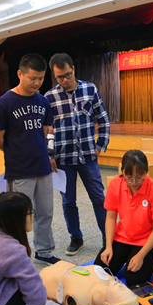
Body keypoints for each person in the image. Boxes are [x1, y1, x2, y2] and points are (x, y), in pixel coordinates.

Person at [0, 53, 59, 265]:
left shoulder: (43, 101)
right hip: (20, 170)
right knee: (19, 215)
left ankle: (44, 251)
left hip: (43, 168)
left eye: (41, 79)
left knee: (45, 212)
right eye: (32, 78)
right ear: (20, 74)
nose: (37, 83)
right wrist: (17, 152)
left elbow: (44, 132)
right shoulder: (4, 103)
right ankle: (17, 254)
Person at [45, 53, 110, 256]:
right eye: (59, 77)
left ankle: (108, 238)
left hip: (88, 157)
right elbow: (46, 130)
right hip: (63, 159)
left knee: (99, 198)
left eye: (67, 75)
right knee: (68, 201)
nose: (64, 80)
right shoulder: (49, 97)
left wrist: (100, 145)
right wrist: (50, 155)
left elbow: (103, 119)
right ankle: (76, 237)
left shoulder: (90, 89)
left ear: (73, 69)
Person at [93, 150, 153, 286]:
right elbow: (110, 218)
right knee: (99, 271)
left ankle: (151, 258)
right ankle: (128, 255)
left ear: (146, 171)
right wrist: (108, 246)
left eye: (139, 178)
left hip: (145, 241)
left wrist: (141, 255)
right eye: (128, 178)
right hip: (122, 237)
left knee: (134, 279)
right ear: (122, 171)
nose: (133, 182)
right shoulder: (115, 184)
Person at [39, 260, 138, 305]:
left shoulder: (81, 300)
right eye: (127, 289)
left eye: (121, 292)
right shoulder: (111, 280)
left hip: (45, 276)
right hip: (62, 264)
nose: (122, 286)